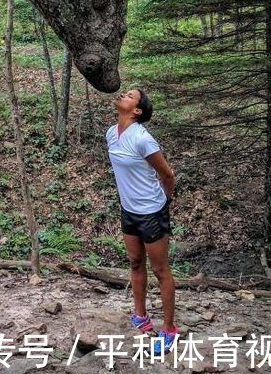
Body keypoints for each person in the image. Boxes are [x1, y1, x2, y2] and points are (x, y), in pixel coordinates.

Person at [105, 88, 178, 354]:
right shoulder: (111, 134)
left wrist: (165, 202)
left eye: (130, 96)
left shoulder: (143, 139)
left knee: (160, 270)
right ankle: (140, 314)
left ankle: (169, 329)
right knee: (135, 262)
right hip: (128, 209)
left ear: (136, 110)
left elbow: (167, 174)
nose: (123, 95)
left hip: (151, 211)